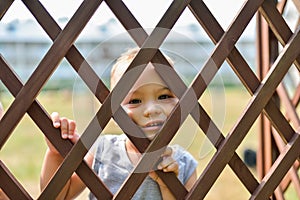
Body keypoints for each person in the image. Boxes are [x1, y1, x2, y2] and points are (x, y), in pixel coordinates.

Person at [40, 48, 198, 199]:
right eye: (135, 101)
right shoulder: (103, 151)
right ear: (113, 111)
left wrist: (167, 185)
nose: (152, 110)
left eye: (164, 96)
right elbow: (59, 196)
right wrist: (56, 154)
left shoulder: (185, 164)